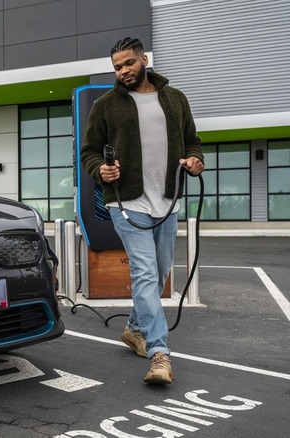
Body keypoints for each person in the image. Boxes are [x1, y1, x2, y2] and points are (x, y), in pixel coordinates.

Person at [80, 37, 204, 384]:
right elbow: (89, 151)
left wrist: (195, 160)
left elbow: (192, 140)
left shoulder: (175, 99)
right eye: (117, 67)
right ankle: (158, 353)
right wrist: (99, 170)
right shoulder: (105, 105)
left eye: (129, 63)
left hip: (166, 200)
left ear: (144, 59)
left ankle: (135, 327)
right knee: (146, 274)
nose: (123, 71)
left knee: (161, 270)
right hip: (126, 202)